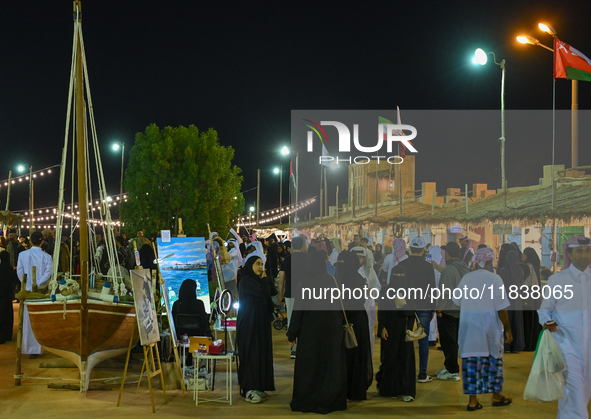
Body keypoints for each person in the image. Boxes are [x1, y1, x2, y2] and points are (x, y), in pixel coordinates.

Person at [453, 247, 513, 411]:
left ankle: (473, 401)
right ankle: (496, 395)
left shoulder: (466, 278)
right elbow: (502, 308)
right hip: (489, 328)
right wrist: (508, 329)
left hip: (469, 329)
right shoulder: (495, 279)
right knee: (493, 361)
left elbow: (457, 302)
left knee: (471, 363)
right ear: (489, 261)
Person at [286, 251, 347, 413]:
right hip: (332, 330)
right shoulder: (334, 281)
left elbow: (298, 312)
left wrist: (292, 334)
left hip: (310, 332)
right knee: (330, 365)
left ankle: (309, 398)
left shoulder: (304, 284)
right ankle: (331, 398)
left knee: (311, 366)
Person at [538, 235, 591, 419]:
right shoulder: (558, 280)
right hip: (566, 345)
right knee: (575, 390)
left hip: (589, 347)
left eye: (587, 251)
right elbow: (544, 311)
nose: (584, 255)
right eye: (579, 251)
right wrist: (550, 325)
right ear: (569, 253)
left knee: (581, 393)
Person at [236, 253, 277, 403]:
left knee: (261, 353)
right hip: (249, 324)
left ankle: (259, 385)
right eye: (257, 264)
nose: (261, 267)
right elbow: (263, 292)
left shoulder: (258, 280)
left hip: (260, 323)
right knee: (251, 354)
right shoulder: (246, 281)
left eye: (262, 264)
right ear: (250, 266)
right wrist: (265, 280)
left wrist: (267, 278)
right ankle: (249, 389)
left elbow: (272, 291)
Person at [376, 264, 416, 401]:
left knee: (405, 360)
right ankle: (388, 388)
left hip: (404, 331)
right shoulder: (385, 291)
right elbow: (381, 311)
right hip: (390, 330)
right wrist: (382, 327)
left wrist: (403, 304)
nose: (398, 279)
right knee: (389, 358)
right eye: (396, 276)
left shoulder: (409, 291)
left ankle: (405, 390)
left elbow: (412, 312)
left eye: (401, 276)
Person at [398, 236, 436, 383]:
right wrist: (432, 307)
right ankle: (422, 373)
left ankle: (405, 371)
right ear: (422, 250)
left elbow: (398, 288)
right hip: (424, 305)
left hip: (406, 306)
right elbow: (432, 289)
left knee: (406, 338)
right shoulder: (428, 266)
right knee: (423, 339)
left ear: (410, 249)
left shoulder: (403, 265)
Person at [336, 250, 373, 400]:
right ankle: (356, 390)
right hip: (357, 321)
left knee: (343, 356)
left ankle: (342, 389)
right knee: (357, 355)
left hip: (340, 320)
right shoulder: (358, 278)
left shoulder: (336, 279)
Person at [436, 242, 469, 381]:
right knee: (454, 341)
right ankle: (450, 366)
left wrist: (439, 309)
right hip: (462, 311)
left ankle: (453, 370)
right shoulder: (465, 268)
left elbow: (445, 293)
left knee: (448, 341)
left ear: (448, 254)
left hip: (449, 312)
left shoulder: (449, 270)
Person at [17, 231, 52, 358]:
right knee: (39, 319)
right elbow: (48, 274)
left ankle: (28, 347)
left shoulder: (22, 255)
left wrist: (28, 285)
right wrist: (37, 284)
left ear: (30, 241)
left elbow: (20, 273)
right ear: (42, 242)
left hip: (27, 290)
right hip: (40, 292)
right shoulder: (47, 257)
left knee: (27, 319)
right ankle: (37, 347)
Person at [279, 236, 306, 359]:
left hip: (290, 292)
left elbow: (281, 280)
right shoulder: (307, 258)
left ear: (291, 246)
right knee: (304, 319)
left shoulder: (286, 259)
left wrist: (281, 294)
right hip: (305, 293)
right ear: (302, 245)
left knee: (291, 318)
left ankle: (293, 348)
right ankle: (302, 346)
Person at [351, 246, 381, 358]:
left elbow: (377, 288)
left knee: (368, 331)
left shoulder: (370, 271)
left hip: (368, 305)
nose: (359, 260)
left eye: (361, 257)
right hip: (353, 305)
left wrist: (370, 291)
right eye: (356, 257)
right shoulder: (348, 271)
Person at [498, 251, 525, 353]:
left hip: (504, 299)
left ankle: (506, 346)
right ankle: (516, 346)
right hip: (516, 299)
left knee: (506, 320)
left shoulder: (501, 271)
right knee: (516, 321)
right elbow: (521, 285)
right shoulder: (519, 270)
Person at [522, 247, 542, 351]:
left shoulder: (526, 267)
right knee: (533, 319)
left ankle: (527, 344)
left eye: (524, 254)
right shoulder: (535, 267)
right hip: (534, 295)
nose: (522, 256)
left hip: (527, 295)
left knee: (527, 320)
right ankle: (534, 343)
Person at [0, 251, 19, 344]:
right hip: (7, 296)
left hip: (0, 295)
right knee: (7, 315)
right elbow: (15, 280)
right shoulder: (10, 269)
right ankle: (8, 335)